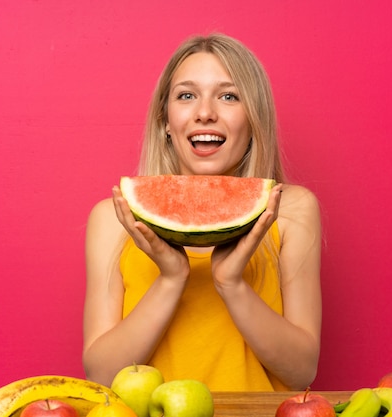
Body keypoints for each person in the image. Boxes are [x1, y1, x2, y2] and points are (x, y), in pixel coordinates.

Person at [82, 33, 322, 391]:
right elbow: (100, 375)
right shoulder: (113, 218)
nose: (205, 113)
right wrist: (170, 278)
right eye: (186, 95)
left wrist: (231, 283)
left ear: (254, 117)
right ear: (165, 119)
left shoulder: (291, 210)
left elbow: (302, 371)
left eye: (229, 96)